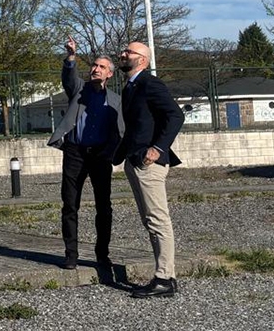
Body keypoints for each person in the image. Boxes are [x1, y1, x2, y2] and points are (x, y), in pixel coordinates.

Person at [113, 41, 185, 299]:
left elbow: (175, 116)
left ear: (142, 60)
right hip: (134, 161)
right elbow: (135, 127)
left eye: (129, 52)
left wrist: (157, 148)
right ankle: (166, 276)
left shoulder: (150, 84)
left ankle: (164, 278)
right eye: (124, 51)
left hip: (149, 163)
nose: (123, 54)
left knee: (157, 220)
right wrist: (118, 156)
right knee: (150, 220)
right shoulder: (130, 87)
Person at [46, 39, 123, 271]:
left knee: (104, 206)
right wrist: (71, 57)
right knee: (70, 204)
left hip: (100, 155)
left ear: (109, 74)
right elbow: (69, 78)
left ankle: (102, 254)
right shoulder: (80, 90)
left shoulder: (116, 101)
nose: (95, 69)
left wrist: (111, 153)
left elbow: (119, 131)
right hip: (75, 152)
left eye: (101, 67)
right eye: (94, 66)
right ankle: (71, 254)